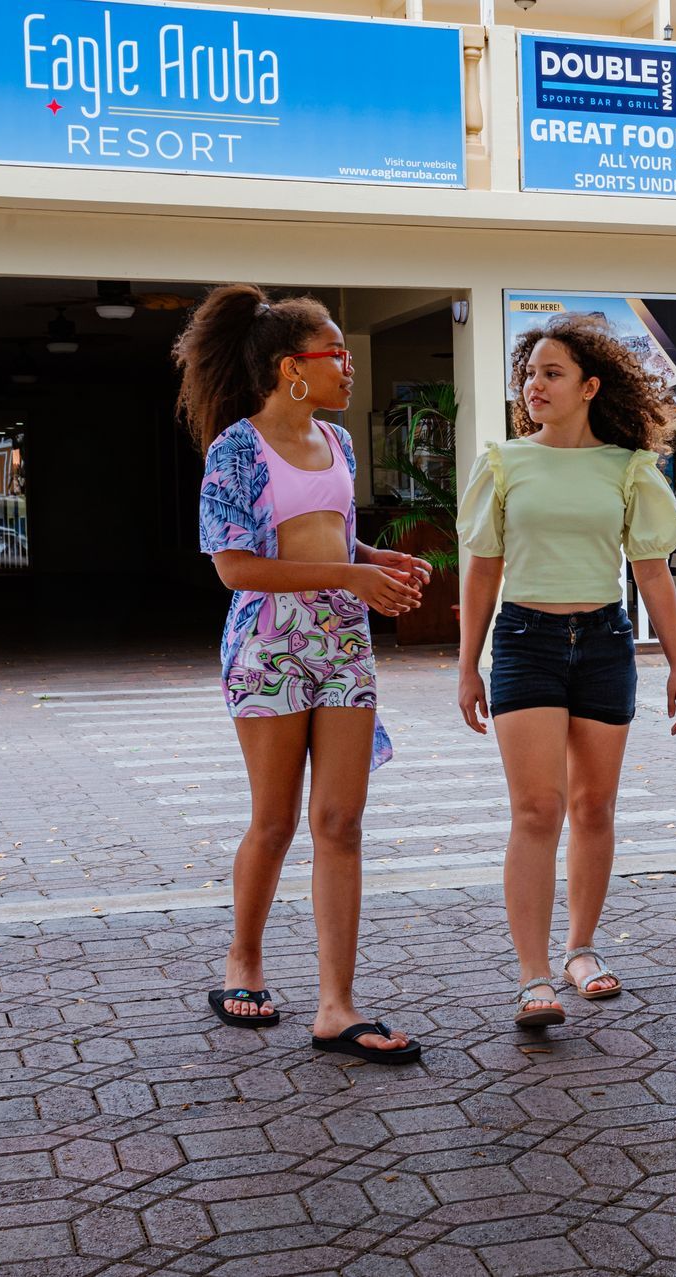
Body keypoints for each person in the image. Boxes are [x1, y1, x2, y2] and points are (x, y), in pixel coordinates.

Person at [182, 284, 430, 1066]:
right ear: (293, 367)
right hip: (268, 645)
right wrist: (351, 576)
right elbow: (236, 568)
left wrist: (376, 561)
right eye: (337, 354)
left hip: (343, 643)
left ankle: (336, 1006)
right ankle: (244, 960)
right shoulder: (235, 449)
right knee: (276, 820)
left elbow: (332, 538)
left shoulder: (339, 442)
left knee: (341, 822)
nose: (349, 366)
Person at [456, 312, 676, 1029]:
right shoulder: (503, 462)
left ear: (590, 386)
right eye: (530, 374)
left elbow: (651, 573)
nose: (535, 385)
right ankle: (533, 977)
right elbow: (482, 571)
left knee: (594, 807)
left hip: (603, 642)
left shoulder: (628, 468)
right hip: (524, 641)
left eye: (552, 373)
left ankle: (580, 950)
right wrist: (467, 666)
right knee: (537, 810)